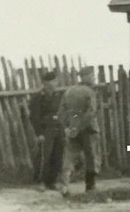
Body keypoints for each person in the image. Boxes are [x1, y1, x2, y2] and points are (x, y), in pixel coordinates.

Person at [57, 66, 99, 196]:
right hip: (88, 129)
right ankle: (90, 187)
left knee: (69, 157)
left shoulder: (69, 91)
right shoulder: (89, 92)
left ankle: (64, 185)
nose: (94, 78)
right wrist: (80, 125)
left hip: (72, 131)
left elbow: (60, 113)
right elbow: (91, 112)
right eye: (92, 76)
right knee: (92, 157)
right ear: (86, 77)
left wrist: (69, 127)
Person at [28, 69, 64, 190]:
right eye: (52, 82)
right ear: (45, 83)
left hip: (58, 129)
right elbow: (34, 117)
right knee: (44, 156)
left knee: (57, 155)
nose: (55, 84)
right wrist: (39, 133)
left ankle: (51, 181)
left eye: (56, 81)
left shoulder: (58, 97)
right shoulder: (38, 98)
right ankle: (40, 182)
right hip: (45, 130)